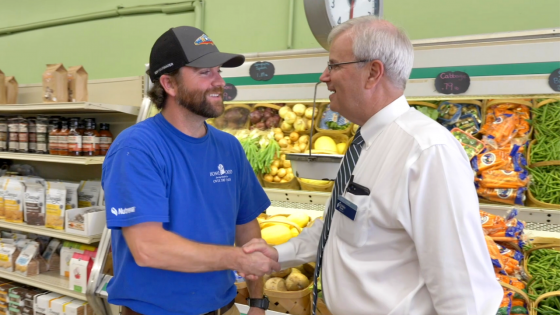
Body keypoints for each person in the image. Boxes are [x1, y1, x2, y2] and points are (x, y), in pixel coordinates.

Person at [241, 16, 503, 315]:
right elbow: (336, 228)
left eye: (334, 66)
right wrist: (276, 254)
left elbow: (465, 293)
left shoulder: (427, 152)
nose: (324, 77)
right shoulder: (365, 142)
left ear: (372, 73)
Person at [102, 26, 279, 315]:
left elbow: (246, 228)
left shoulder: (229, 147)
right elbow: (148, 248)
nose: (219, 82)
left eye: (219, 71)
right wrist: (237, 259)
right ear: (169, 84)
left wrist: (258, 302)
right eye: (205, 72)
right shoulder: (136, 149)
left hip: (223, 306)